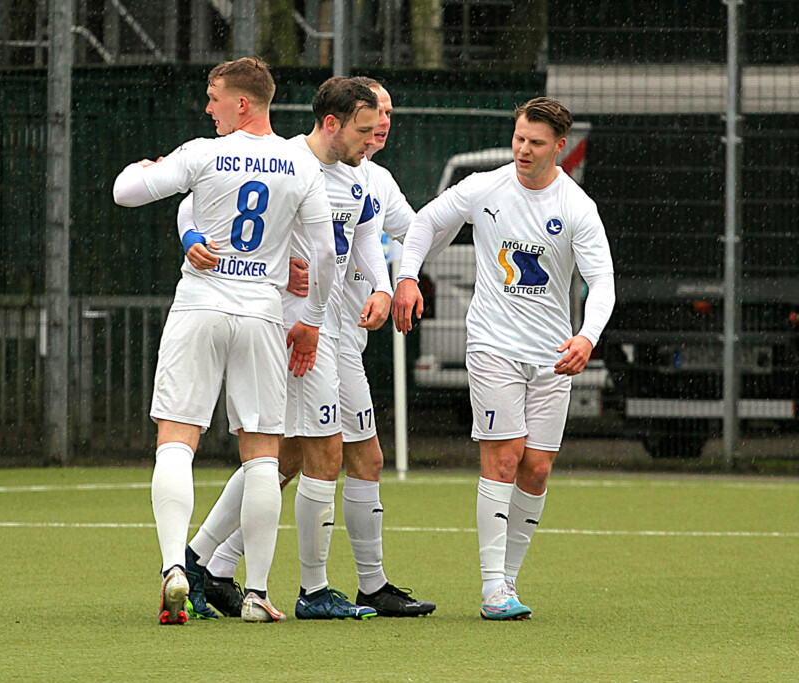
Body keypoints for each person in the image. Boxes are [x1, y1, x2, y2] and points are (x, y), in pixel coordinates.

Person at [196, 78, 436, 618]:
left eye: (385, 119)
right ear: (336, 123)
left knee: (318, 457)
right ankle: (294, 585)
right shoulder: (286, 163)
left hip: (339, 333)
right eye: (371, 121)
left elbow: (388, 233)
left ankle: (211, 564)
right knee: (306, 455)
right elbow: (216, 216)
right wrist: (280, 271)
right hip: (296, 329)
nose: (380, 129)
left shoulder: (365, 178)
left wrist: (389, 282)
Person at [111, 57, 336, 625]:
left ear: (242, 103)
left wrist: (148, 166)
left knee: (176, 442)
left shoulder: (202, 154)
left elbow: (124, 192)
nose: (207, 107)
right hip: (261, 312)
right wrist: (309, 317)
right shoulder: (300, 163)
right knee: (262, 454)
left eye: (214, 97)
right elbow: (325, 254)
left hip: (200, 307)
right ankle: (258, 594)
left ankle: (173, 568)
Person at [392, 97, 615, 620]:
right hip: (493, 346)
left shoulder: (576, 206)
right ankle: (493, 587)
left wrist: (587, 337)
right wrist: (405, 276)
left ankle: (509, 580)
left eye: (536, 143)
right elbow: (424, 223)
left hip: (552, 353)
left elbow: (602, 281)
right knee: (505, 457)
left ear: (559, 148)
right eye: (519, 138)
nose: (523, 149)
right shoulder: (484, 187)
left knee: (536, 469)